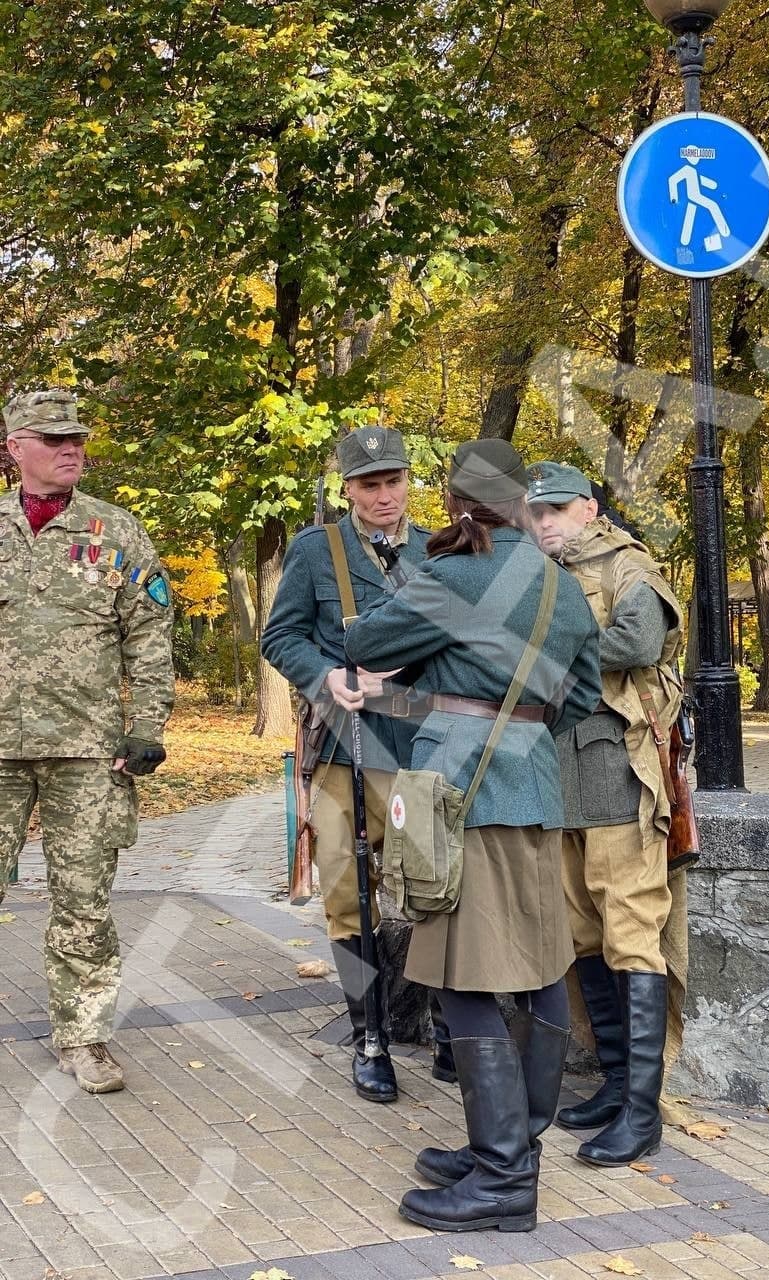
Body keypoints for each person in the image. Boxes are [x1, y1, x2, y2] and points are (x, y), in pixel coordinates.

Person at [344, 439, 601, 1233]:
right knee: (537, 969)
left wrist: (450, 673)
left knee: (464, 977)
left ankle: (502, 1181)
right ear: (523, 501)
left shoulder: (449, 575)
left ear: (457, 502)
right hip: (533, 790)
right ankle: (513, 1145)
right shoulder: (564, 588)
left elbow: (364, 647)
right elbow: (581, 695)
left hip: (460, 794)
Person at [262, 428, 456, 1102]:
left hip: (419, 748)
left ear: (409, 482)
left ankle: (449, 1029)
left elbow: (462, 648)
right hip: (342, 752)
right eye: (369, 484)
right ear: (347, 488)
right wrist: (323, 678)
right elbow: (280, 635)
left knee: (435, 892)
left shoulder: (440, 550)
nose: (383, 495)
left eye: (393, 480)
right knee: (349, 897)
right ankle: (369, 1036)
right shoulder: (318, 552)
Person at [0, 389, 174, 1093]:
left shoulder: (116, 532)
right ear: (13, 447)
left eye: (76, 437)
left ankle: (84, 1037)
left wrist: (147, 725)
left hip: (89, 750)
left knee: (83, 901)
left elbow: (149, 630)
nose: (71, 448)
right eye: (51, 438)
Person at [526, 462, 687, 1168]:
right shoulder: (535, 574)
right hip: (559, 777)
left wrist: (544, 656)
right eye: (535, 513)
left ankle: (642, 1113)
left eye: (557, 509)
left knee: (631, 934)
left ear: (589, 507)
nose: (545, 522)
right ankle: (617, 1084)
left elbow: (637, 642)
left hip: (618, 773)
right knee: (583, 935)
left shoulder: (629, 566)